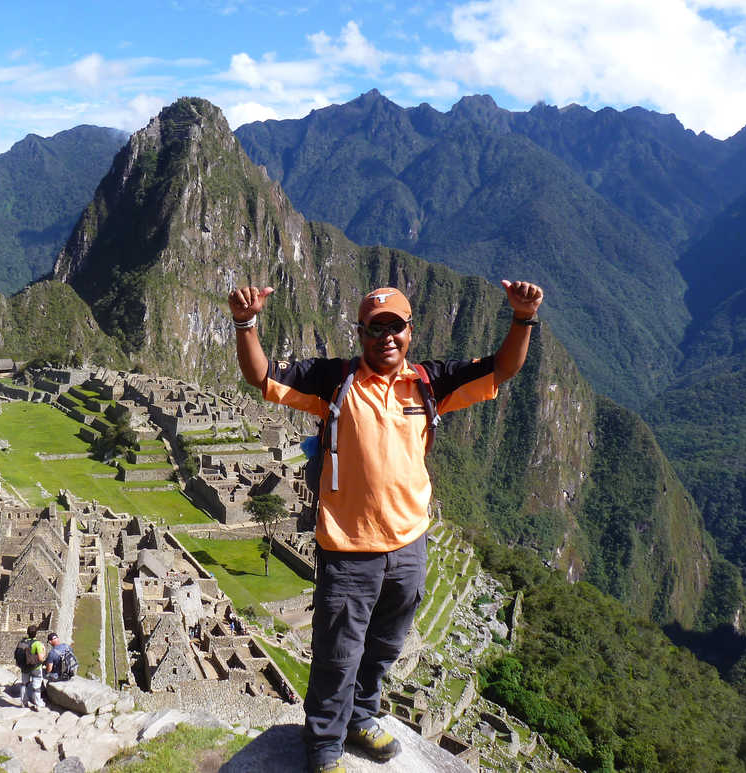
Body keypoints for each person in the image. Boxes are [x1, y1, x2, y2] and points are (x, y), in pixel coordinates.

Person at [228, 280, 543, 773]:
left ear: (409, 332)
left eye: (395, 328)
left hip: (409, 545)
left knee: (385, 645)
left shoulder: (430, 383)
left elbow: (501, 369)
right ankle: (325, 747)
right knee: (338, 652)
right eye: (376, 329)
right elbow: (262, 375)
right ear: (361, 334)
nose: (386, 338)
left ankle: (362, 717)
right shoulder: (334, 381)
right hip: (349, 549)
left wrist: (522, 318)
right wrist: (247, 323)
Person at [19, 625, 48, 710]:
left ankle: (24, 702)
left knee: (24, 684)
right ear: (36, 633)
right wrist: (44, 653)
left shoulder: (22, 642)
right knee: (36, 686)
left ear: (27, 633)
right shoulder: (37, 644)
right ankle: (38, 704)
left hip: (25, 667)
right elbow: (40, 658)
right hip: (35, 667)